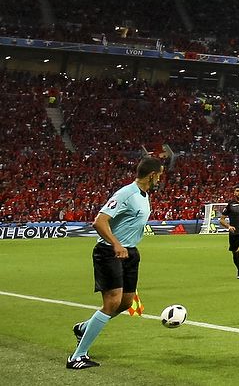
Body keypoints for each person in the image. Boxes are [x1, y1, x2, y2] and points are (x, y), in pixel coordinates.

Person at [68, 155, 165, 370]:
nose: (160, 178)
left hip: (130, 253)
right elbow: (99, 222)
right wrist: (116, 244)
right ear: (152, 175)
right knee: (112, 302)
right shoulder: (126, 194)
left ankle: (84, 328)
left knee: (126, 303)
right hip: (109, 252)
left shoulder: (143, 194)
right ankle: (77, 356)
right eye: (159, 174)